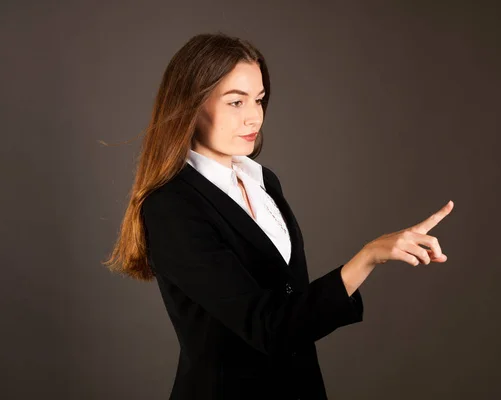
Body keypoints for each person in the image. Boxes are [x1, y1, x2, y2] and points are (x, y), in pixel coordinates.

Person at [104, 32, 454, 400]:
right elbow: (267, 326)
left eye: (259, 99)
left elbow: (294, 308)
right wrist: (368, 257)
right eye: (236, 102)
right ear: (190, 105)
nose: (254, 116)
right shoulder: (172, 207)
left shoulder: (263, 181)